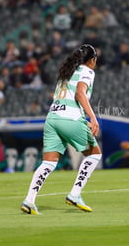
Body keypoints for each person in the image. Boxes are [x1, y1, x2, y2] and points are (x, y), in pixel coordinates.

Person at [21, 44, 101, 214]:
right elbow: (80, 93)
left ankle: (29, 200)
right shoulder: (87, 71)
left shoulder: (66, 72)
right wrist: (92, 118)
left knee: (48, 163)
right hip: (69, 118)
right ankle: (75, 194)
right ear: (92, 60)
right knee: (94, 155)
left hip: (52, 118)